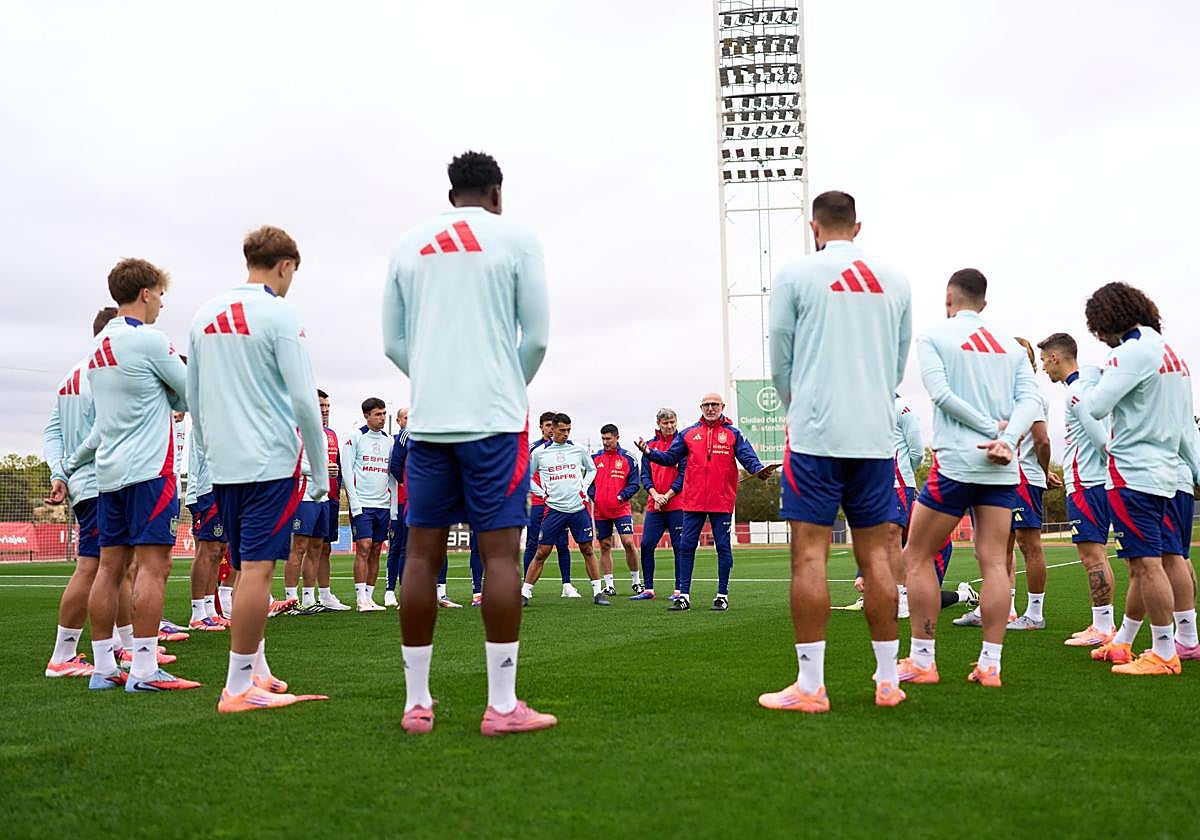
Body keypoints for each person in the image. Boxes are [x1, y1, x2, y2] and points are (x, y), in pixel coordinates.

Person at [383, 150, 555, 735]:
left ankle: (416, 704)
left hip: (429, 423)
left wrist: (432, 377)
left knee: (421, 556)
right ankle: (501, 705)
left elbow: (392, 342)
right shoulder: (516, 239)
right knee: (500, 556)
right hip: (494, 423)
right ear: (497, 192)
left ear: (451, 191)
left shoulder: (408, 244)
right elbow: (537, 338)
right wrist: (503, 384)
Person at [753, 190, 912, 713]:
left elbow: (779, 351)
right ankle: (887, 681)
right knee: (877, 557)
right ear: (858, 226)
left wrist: (796, 404)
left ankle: (811, 686)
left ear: (814, 226)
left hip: (817, 431)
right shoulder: (896, 280)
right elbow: (897, 360)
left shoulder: (797, 275)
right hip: (873, 433)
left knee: (810, 555)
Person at [188, 224, 330, 711]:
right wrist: (320, 469)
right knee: (257, 572)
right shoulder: (280, 311)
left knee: (246, 566)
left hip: (224, 463)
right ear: (286, 265)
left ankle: (259, 670)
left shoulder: (204, 313)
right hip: (269, 458)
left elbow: (194, 396)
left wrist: (204, 458)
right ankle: (237, 687)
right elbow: (303, 401)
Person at [899, 268, 1039, 689]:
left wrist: (988, 431)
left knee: (916, 556)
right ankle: (990, 665)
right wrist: (1007, 437)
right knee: (995, 562)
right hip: (1002, 464)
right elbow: (1031, 399)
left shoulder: (934, 337)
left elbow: (940, 394)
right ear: (984, 300)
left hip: (958, 462)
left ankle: (923, 660)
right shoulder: (1009, 346)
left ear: (949, 298)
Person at [64, 259, 199, 693]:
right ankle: (143, 669)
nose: (161, 302)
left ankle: (104, 668)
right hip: (149, 470)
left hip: (109, 472)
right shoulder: (150, 339)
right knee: (152, 567)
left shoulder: (98, 345)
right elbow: (190, 393)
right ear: (145, 293)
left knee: (109, 568)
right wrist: (171, 393)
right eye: (160, 293)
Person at [1079, 284, 1192, 675]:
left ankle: (1163, 652)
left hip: (1134, 471)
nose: (1100, 338)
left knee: (1146, 564)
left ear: (1106, 320)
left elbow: (1095, 407)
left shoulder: (1130, 352)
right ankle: (1132, 641)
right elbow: (1184, 425)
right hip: (1168, 470)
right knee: (1160, 559)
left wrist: (1086, 380)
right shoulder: (1171, 352)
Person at [637, 393, 773, 612]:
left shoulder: (733, 434)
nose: (710, 408)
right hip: (693, 502)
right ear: (701, 407)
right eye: (707, 405)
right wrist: (649, 453)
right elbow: (669, 458)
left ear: (722, 407)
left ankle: (722, 595)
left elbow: (748, 458)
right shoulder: (689, 433)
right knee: (686, 547)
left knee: (722, 547)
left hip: (722, 500)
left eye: (714, 405)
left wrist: (759, 471)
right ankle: (683, 596)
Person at [41, 307, 121, 677]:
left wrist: (60, 472)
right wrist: (71, 466)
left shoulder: (68, 377)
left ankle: (120, 643)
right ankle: (63, 656)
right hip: (99, 480)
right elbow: (105, 429)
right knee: (92, 567)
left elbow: (52, 433)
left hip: (82, 482)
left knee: (110, 566)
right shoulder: (101, 374)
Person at [1037, 334, 1118, 646]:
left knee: (1091, 555)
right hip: (1095, 481)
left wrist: (1108, 468)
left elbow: (1101, 440)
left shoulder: (1076, 393)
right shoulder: (1088, 387)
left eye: (1045, 361)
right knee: (1096, 554)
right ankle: (1103, 624)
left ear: (1056, 358)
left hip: (1088, 483)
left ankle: (1103, 627)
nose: (1044, 368)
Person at [523, 414, 605, 605]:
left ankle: (598, 593)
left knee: (587, 549)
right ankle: (525, 594)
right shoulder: (539, 453)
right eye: (562, 430)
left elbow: (591, 470)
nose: (566, 434)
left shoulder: (578, 450)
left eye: (568, 430)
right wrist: (542, 493)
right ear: (552, 430)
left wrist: (584, 487)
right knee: (542, 551)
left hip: (578, 509)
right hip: (554, 510)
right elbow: (525, 476)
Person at [385, 410, 460, 609]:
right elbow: (396, 466)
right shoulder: (408, 435)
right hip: (414, 501)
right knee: (408, 548)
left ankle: (439, 595)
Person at [342, 397, 393, 611]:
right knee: (363, 547)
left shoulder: (389, 440)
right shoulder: (355, 438)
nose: (382, 418)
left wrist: (393, 503)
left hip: (383, 504)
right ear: (366, 415)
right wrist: (354, 504)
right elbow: (346, 471)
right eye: (377, 414)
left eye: (383, 413)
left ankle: (371, 598)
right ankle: (360, 598)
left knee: (375, 550)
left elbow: (391, 474)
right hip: (362, 503)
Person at [302, 389, 351, 611]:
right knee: (303, 547)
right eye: (320, 406)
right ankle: (301, 596)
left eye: (327, 407)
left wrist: (337, 493)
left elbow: (337, 466)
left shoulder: (331, 434)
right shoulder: (302, 431)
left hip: (329, 498)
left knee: (325, 548)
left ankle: (325, 594)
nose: (325, 410)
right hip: (307, 497)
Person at [633, 408, 687, 602]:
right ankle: (649, 589)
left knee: (680, 547)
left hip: (677, 505)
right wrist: (656, 495)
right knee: (646, 544)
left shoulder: (682, 445)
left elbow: (683, 475)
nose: (670, 425)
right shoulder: (649, 446)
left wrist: (668, 494)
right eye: (666, 423)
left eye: (673, 421)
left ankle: (679, 590)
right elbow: (645, 476)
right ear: (658, 424)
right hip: (654, 505)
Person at [525, 411, 579, 597]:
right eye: (547, 425)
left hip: (559, 504)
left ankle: (567, 585)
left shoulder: (567, 448)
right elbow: (526, 476)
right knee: (533, 544)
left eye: (552, 426)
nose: (550, 429)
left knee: (562, 544)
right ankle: (526, 587)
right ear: (541, 427)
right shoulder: (534, 449)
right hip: (539, 503)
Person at [185, 413, 229, 630]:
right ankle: (197, 613)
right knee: (208, 550)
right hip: (208, 489)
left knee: (219, 551)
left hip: (223, 488)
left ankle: (210, 610)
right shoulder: (208, 415)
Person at [589, 424, 643, 596]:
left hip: (621, 509)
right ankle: (609, 585)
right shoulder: (594, 458)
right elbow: (587, 483)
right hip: (600, 511)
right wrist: (594, 496)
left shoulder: (629, 458)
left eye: (608, 438)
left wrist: (621, 496)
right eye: (603, 439)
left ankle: (636, 581)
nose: (605, 442)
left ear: (617, 437)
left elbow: (635, 484)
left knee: (628, 542)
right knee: (604, 546)